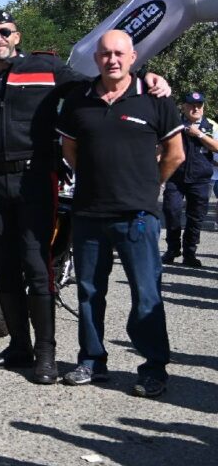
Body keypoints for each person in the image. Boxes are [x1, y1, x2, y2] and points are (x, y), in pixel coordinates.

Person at [0, 9, 172, 383]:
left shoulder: (48, 69)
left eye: (5, 31)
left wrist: (147, 78)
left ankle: (46, 355)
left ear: (17, 36)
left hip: (34, 180)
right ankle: (18, 348)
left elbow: (101, 82)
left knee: (36, 267)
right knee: (4, 268)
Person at [56, 29, 183, 398]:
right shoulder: (79, 100)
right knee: (89, 291)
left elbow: (175, 154)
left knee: (146, 294)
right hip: (89, 213)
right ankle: (92, 361)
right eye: (105, 54)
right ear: (96, 59)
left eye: (118, 53)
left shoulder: (155, 97)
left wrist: (148, 188)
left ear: (133, 57)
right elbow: (70, 150)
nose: (111, 59)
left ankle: (153, 368)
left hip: (137, 216)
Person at [163, 91, 217, 267]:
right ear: (183, 107)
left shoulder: (212, 126)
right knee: (171, 211)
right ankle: (172, 249)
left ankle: (189, 253)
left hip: (200, 179)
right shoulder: (173, 123)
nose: (196, 109)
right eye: (192, 105)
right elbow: (160, 146)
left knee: (195, 218)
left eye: (199, 105)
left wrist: (199, 135)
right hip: (175, 178)